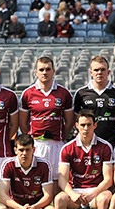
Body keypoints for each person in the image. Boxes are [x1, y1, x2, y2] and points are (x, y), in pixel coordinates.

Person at [54, 110, 115, 209]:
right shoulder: (67, 148)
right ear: (76, 126)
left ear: (95, 125)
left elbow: (108, 179)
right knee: (59, 199)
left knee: (105, 198)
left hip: (96, 191)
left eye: (89, 125)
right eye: (82, 125)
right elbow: (62, 179)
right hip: (76, 191)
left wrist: (91, 194)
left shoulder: (105, 146)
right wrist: (72, 194)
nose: (86, 128)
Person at [19, 57, 74, 185]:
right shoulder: (28, 93)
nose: (45, 72)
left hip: (56, 145)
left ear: (53, 71)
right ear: (36, 72)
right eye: (41, 69)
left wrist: (61, 137)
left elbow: (70, 122)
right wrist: (30, 140)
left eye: (48, 69)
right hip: (36, 145)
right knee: (35, 182)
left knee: (57, 182)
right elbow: (23, 123)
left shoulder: (64, 93)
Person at [73, 56, 115, 146]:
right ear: (91, 72)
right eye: (96, 70)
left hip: (111, 144)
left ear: (108, 72)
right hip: (88, 145)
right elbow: (74, 119)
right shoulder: (81, 93)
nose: (99, 72)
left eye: (103, 69)